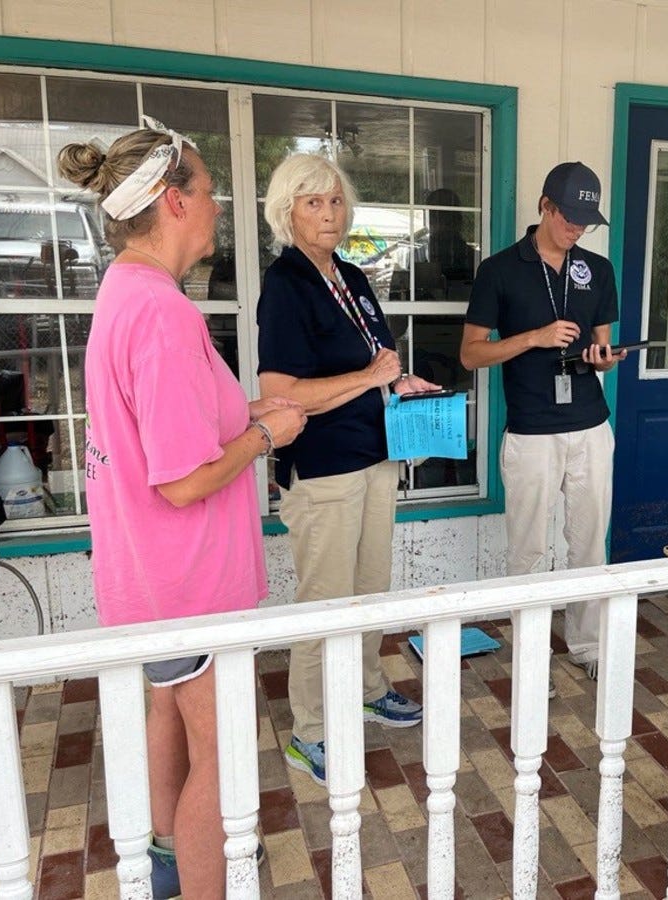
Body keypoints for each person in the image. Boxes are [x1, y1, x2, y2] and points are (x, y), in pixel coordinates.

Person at [59, 121, 306, 898]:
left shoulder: (126, 289)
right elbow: (182, 479)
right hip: (189, 581)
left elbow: (163, 431)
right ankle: (205, 877)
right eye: (207, 188)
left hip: (147, 579)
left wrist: (241, 412)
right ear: (174, 201)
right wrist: (265, 432)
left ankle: (170, 856)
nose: (218, 203)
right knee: (223, 756)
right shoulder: (164, 315)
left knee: (170, 714)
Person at [256, 153, 438, 786]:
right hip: (324, 467)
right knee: (323, 602)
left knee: (367, 589)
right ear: (287, 211)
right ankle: (310, 729)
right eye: (312, 203)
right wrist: (369, 377)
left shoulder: (351, 276)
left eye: (334, 202)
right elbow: (281, 392)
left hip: (375, 453)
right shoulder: (286, 285)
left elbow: (375, 369)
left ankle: (364, 685)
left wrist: (402, 384)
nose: (328, 214)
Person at [460, 161, 624, 682]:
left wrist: (603, 357)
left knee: (590, 540)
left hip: (590, 423)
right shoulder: (500, 269)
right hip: (531, 428)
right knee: (528, 546)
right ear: (545, 206)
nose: (577, 228)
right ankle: (531, 654)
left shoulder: (596, 269)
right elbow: (470, 355)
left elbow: (600, 340)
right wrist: (532, 337)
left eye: (585, 219)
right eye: (569, 215)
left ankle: (589, 644)